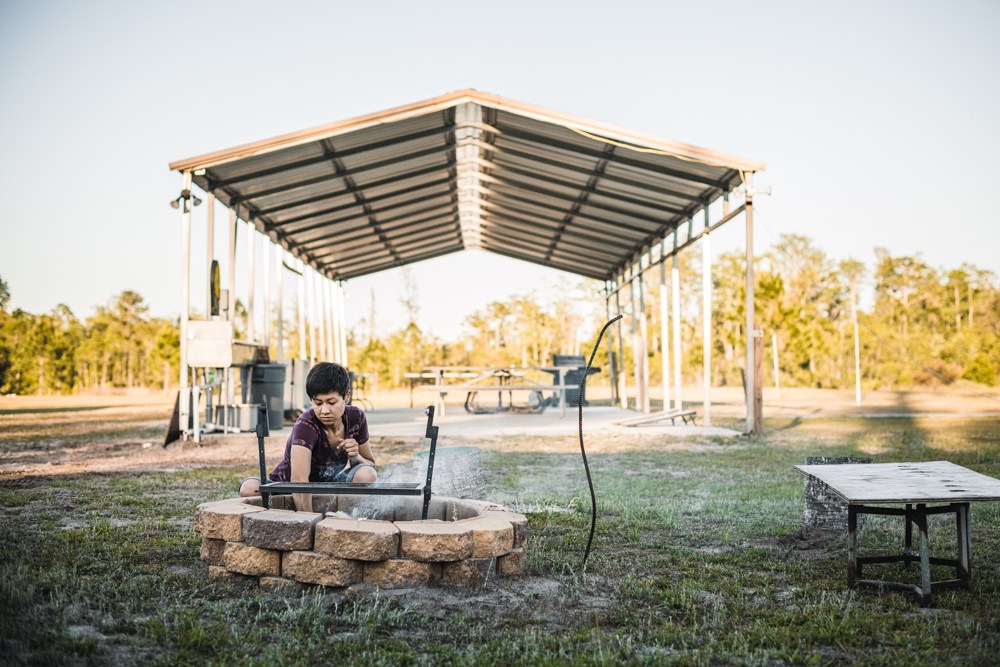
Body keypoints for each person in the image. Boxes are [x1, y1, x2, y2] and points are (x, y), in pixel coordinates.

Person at [239, 362, 377, 512]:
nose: (324, 410)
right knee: (249, 489)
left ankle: (354, 520)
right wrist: (311, 524)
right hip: (287, 485)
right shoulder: (305, 425)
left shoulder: (357, 418)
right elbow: (299, 481)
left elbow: (370, 464)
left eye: (331, 402)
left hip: (328, 484)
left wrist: (356, 456)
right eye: (317, 403)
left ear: (347, 396)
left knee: (366, 475)